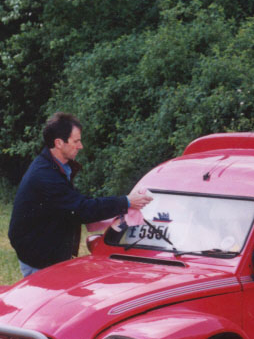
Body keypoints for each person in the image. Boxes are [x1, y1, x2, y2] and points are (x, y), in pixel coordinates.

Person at [9, 112, 152, 276]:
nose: (80, 146)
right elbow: (81, 209)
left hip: (45, 255)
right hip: (40, 262)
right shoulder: (46, 176)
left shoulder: (55, 166)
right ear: (59, 143)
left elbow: (76, 205)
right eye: (76, 141)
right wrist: (126, 202)